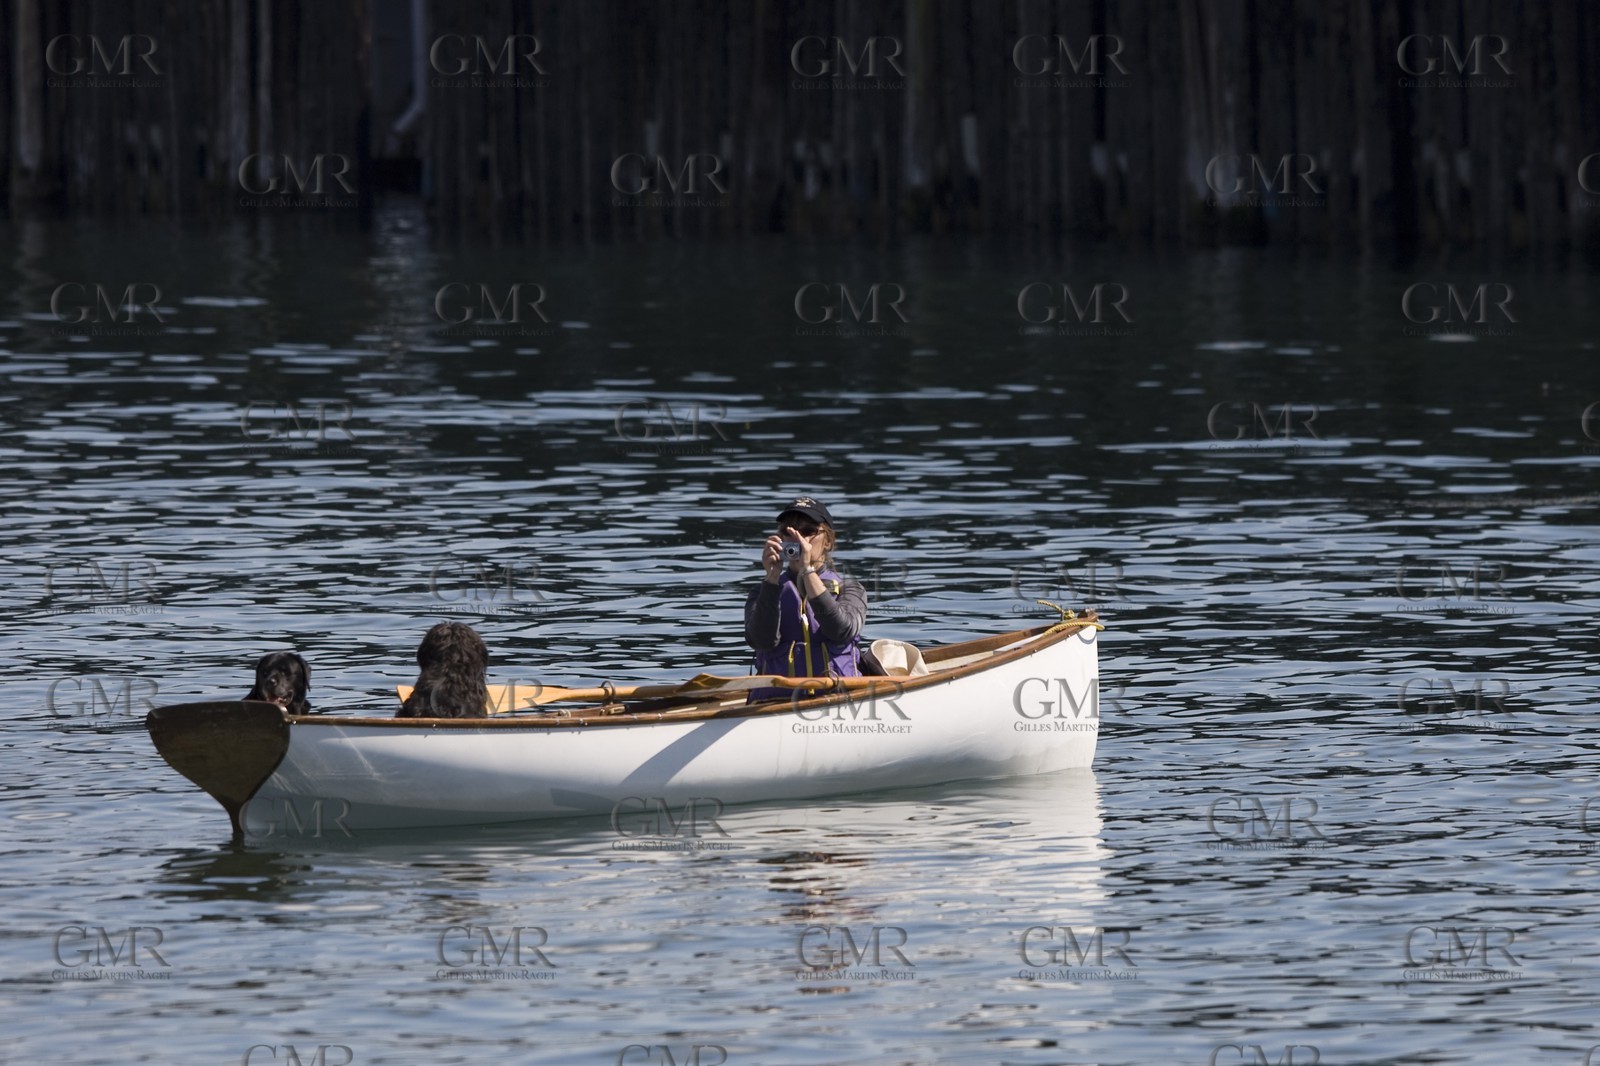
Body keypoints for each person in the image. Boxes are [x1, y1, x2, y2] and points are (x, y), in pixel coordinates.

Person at [744, 496, 867, 701]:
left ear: (827, 541)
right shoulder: (763, 591)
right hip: (776, 703)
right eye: (789, 531)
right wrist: (772, 578)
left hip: (838, 697)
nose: (798, 539)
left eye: (808, 532)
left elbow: (841, 630)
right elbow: (761, 641)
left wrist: (807, 571)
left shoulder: (851, 589)